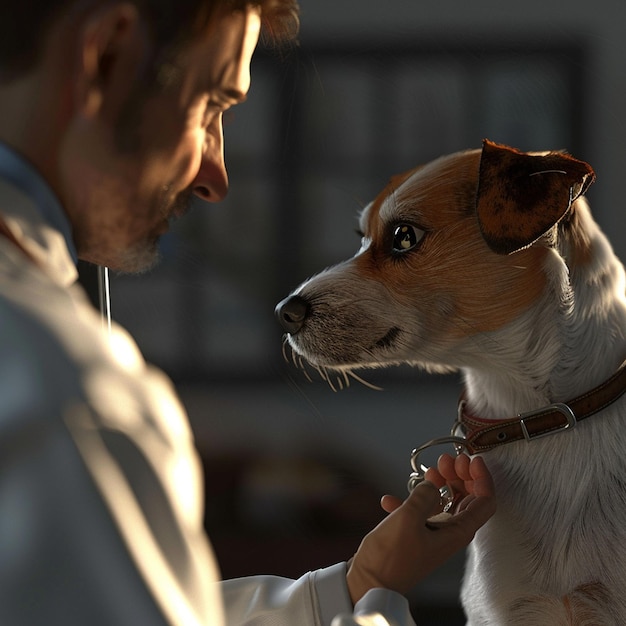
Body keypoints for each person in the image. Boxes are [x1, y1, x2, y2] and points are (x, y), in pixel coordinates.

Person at [0, 0, 496, 624]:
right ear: (107, 56)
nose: (216, 175)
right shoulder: (64, 399)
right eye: (210, 106)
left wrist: (358, 587)